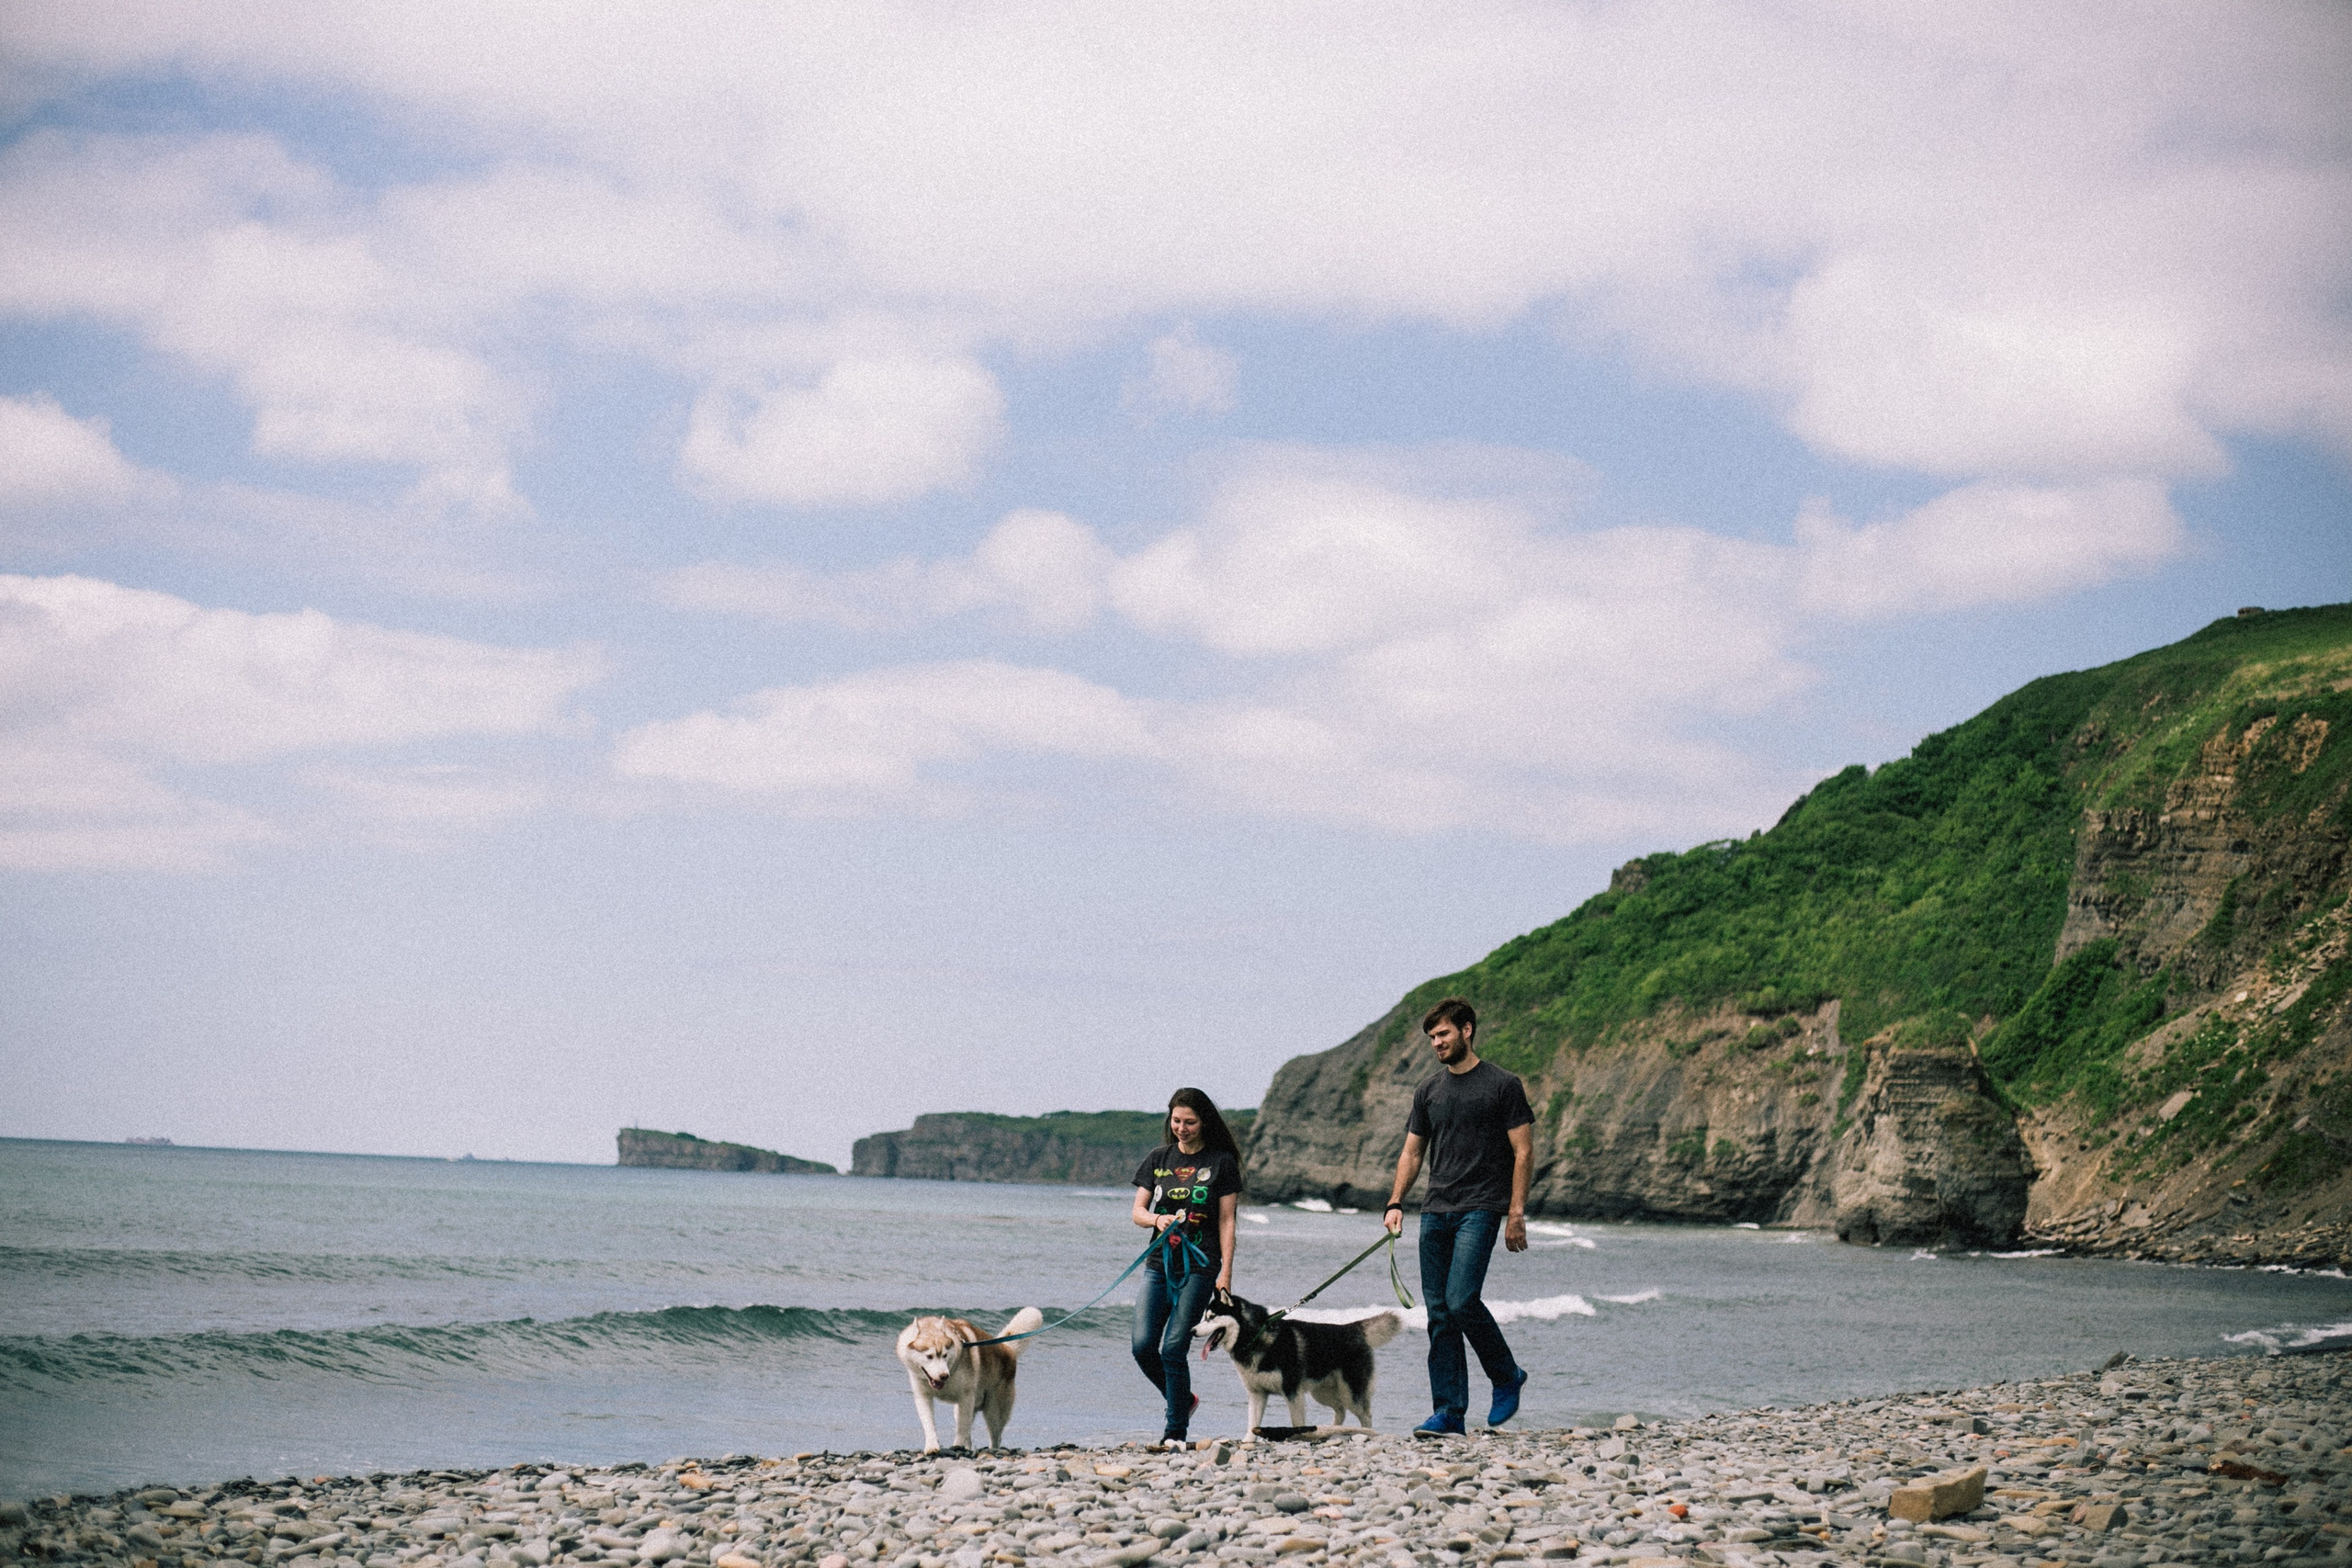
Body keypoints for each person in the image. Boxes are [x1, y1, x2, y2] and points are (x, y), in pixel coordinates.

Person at [1382, 996, 1534, 1436]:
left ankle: (1506, 1374)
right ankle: (1449, 1412)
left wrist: (1515, 1212)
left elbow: (1522, 1150)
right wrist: (1396, 1202)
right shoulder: (1429, 1090)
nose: (1437, 1043)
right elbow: (1412, 1152)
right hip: (1436, 1210)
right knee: (1440, 1314)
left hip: (1482, 1207)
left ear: (1467, 1030)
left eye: (1443, 1034)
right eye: (1432, 1037)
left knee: (1462, 1299)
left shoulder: (1503, 1084)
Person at [1130, 1087, 1241, 1446]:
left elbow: (1227, 1221)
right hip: (1159, 1263)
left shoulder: (1222, 1162)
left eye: (1189, 1122)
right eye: (1177, 1121)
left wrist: (1225, 1272)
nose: (1182, 1128)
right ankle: (1184, 1400)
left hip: (1201, 1265)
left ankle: (1174, 1430)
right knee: (1143, 1346)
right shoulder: (1158, 1158)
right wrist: (1156, 1221)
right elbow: (1137, 1212)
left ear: (1203, 1122)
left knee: (1174, 1347)